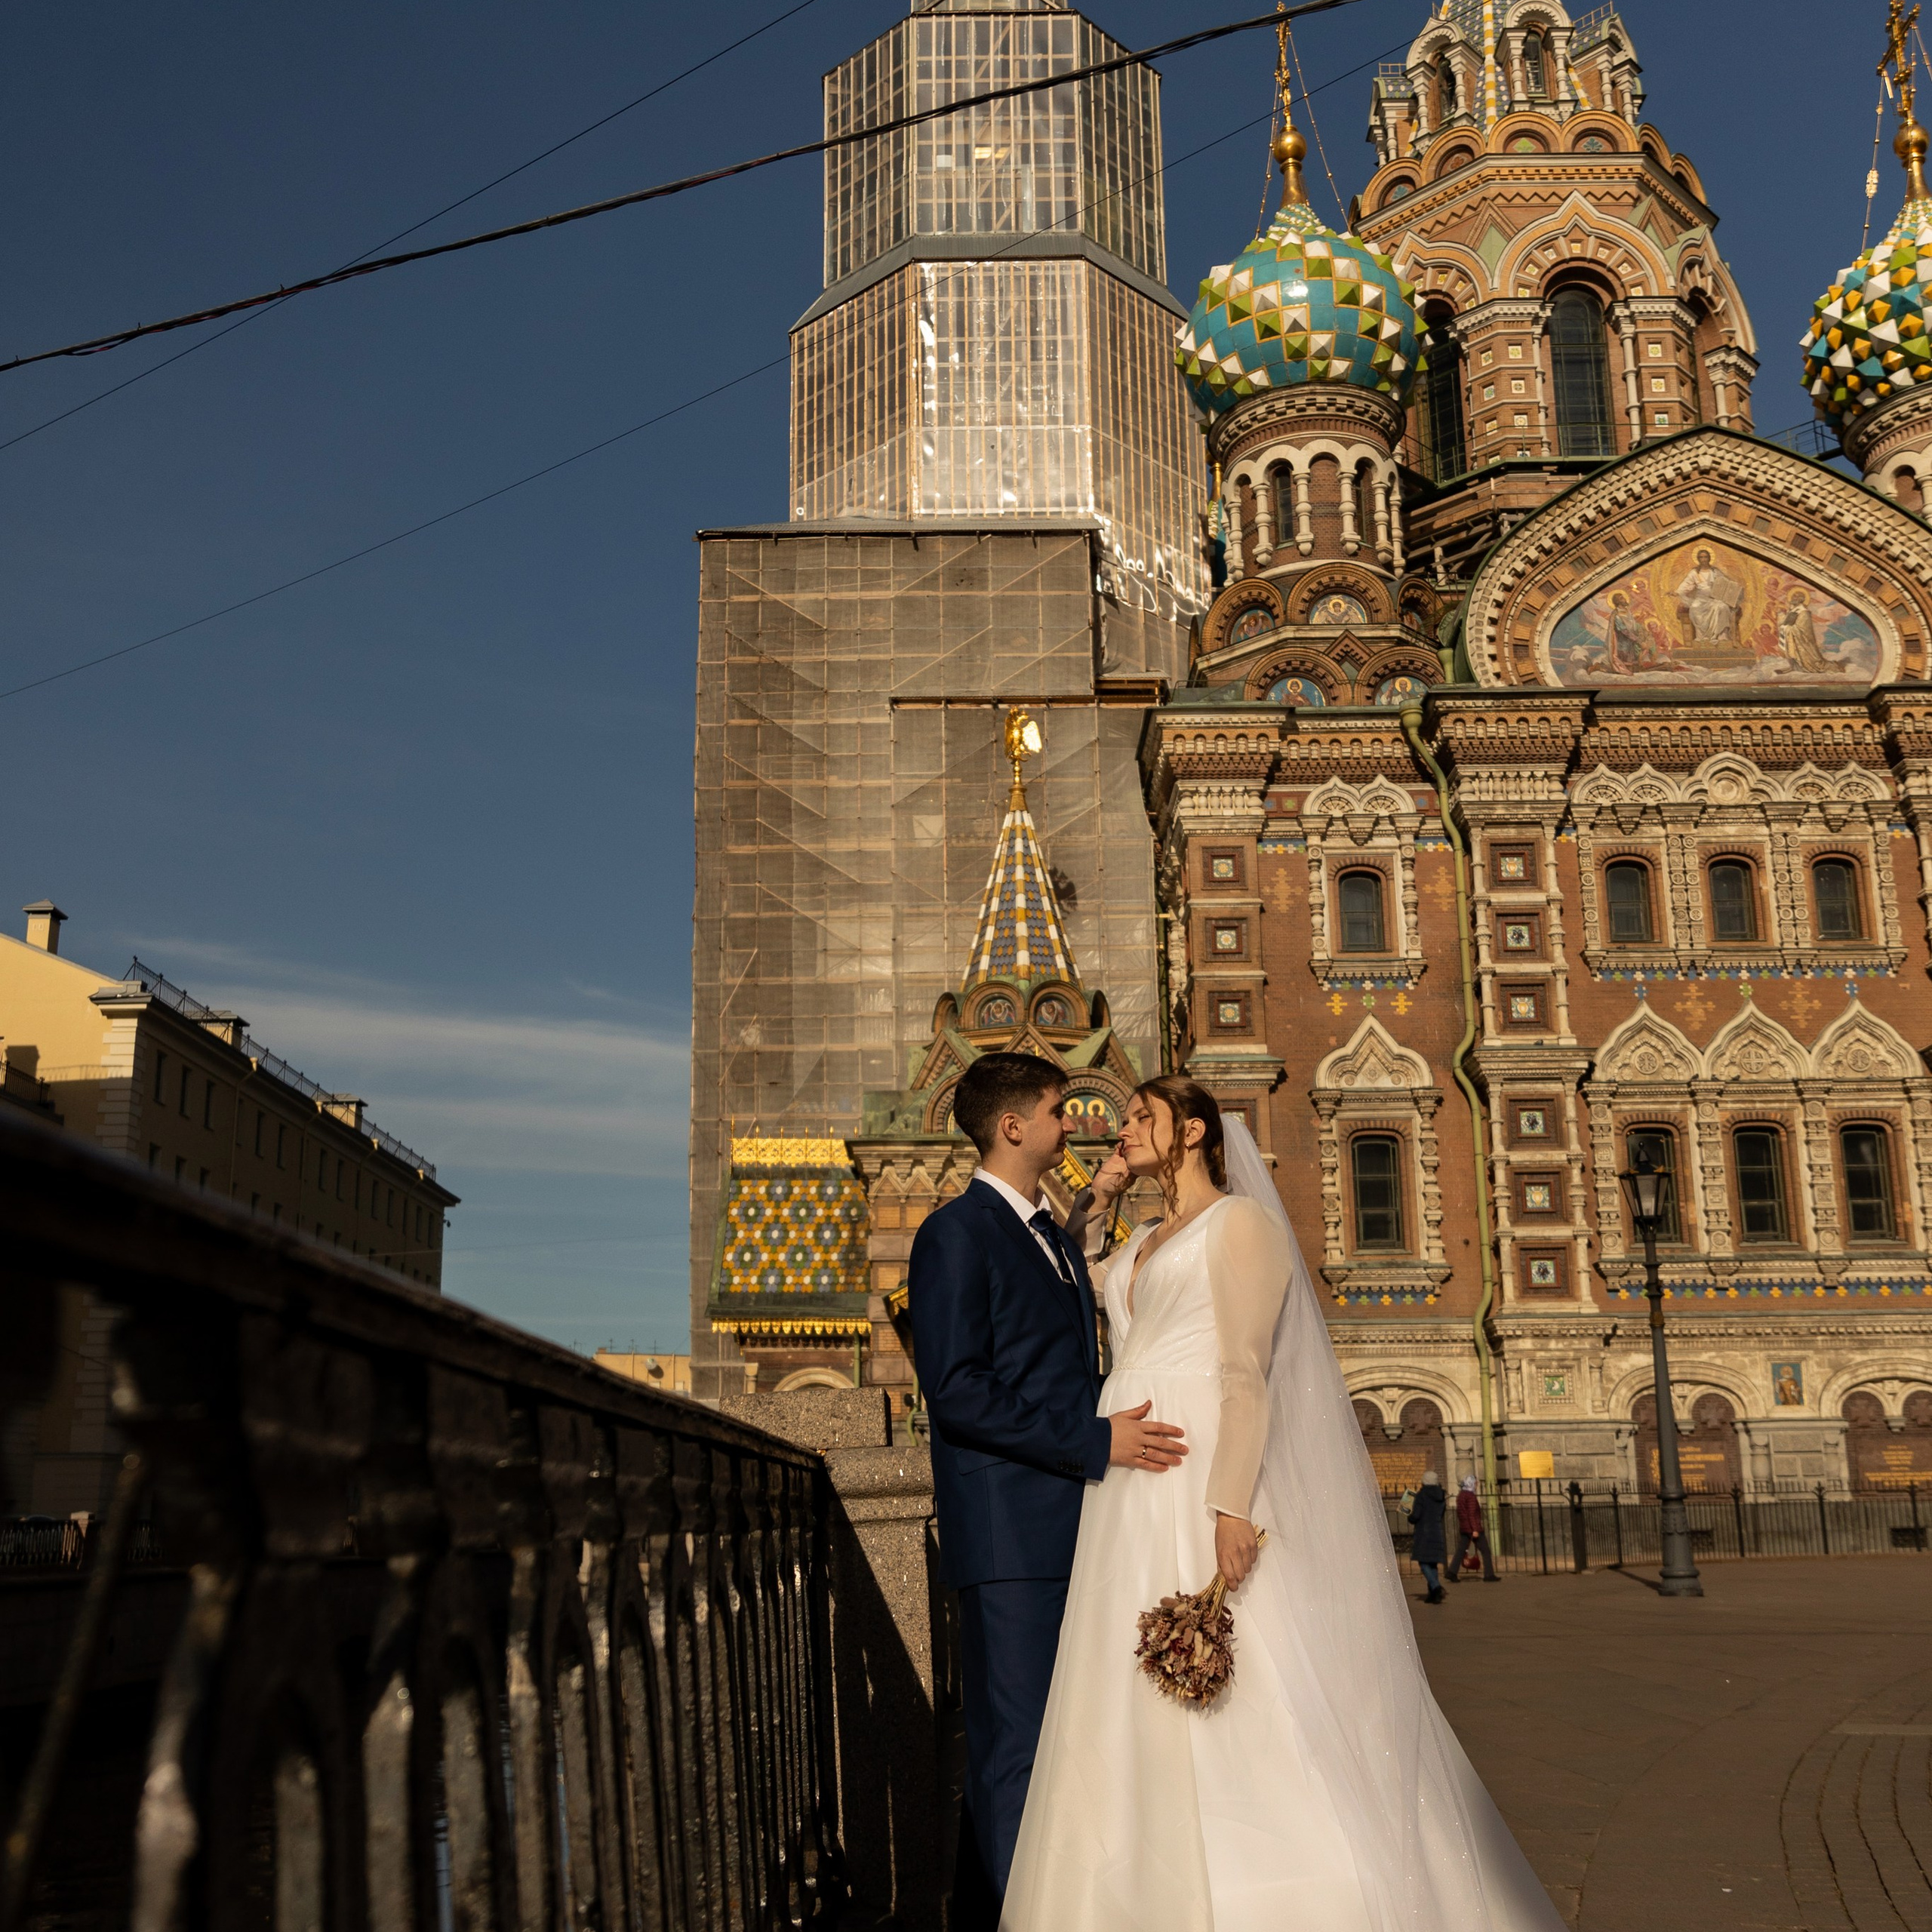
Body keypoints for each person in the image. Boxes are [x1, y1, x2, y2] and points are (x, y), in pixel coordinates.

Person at [1004, 1077, 1564, 1932]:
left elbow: (1244, 1373)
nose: (1124, 1128)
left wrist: (1231, 1505)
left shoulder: (1241, 1225)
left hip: (1196, 1462)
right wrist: (1104, 1188)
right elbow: (1074, 1275)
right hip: (1127, 1480)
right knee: (1128, 1672)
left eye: (1140, 1117)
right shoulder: (1149, 1235)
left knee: (1243, 1662)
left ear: (1191, 1130)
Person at [906, 1053, 1189, 1910]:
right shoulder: (954, 1232)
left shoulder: (1044, 1236)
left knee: (1058, 1744)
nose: (1074, 1125)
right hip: (1010, 1536)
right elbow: (956, 1392)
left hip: (1068, 1524)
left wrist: (1093, 1211)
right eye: (1059, 1111)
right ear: (1013, 1126)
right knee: (1015, 1748)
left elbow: (1050, 1340)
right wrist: (1095, 1440)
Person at [1447, 1474, 1498, 1582]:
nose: (1477, 1485)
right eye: (1475, 1483)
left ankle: (1452, 1572)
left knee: (1461, 1550)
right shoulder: (1470, 1496)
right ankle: (1489, 1575)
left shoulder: (1461, 1495)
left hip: (1464, 1527)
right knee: (1485, 1550)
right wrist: (1475, 1529)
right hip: (1472, 1528)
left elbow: (1462, 1513)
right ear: (1471, 1483)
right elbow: (1471, 1514)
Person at [1410, 1472, 1449, 1603]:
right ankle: (1433, 1595)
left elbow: (1416, 1515)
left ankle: (1436, 1587)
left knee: (1423, 1562)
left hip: (1424, 1532)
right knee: (1432, 1563)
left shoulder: (1422, 1495)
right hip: (1436, 1531)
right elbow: (1441, 1513)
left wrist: (1410, 1516)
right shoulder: (1441, 1495)